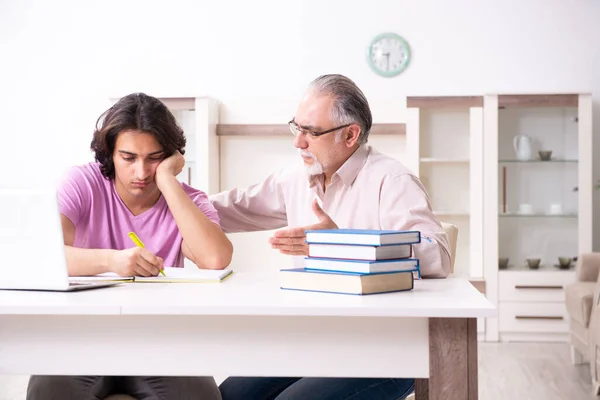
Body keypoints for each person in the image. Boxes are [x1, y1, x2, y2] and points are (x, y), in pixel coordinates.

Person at [209, 74, 451, 400]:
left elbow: (439, 255)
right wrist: (164, 192)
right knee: (230, 395)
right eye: (297, 128)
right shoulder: (295, 177)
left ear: (350, 134)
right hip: (316, 335)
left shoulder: (391, 179)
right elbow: (227, 210)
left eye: (311, 132)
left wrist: (345, 242)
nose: (298, 142)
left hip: (387, 347)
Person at [26, 93, 230, 400]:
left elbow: (215, 259)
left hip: (157, 339)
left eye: (154, 158)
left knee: (202, 396)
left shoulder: (188, 200)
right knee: (48, 392)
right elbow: (45, 256)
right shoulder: (82, 182)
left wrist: (168, 182)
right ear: (110, 153)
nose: (141, 172)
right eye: (129, 158)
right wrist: (111, 260)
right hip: (82, 335)